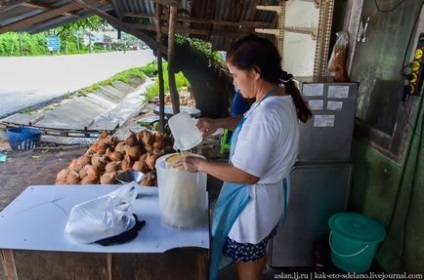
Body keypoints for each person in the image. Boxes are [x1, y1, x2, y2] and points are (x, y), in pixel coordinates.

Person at [172, 34, 312, 280]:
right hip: (270, 200)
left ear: (255, 72)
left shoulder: (267, 115)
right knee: (256, 253)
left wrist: (200, 164)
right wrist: (218, 123)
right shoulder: (278, 97)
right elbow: (248, 121)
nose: (235, 84)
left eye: (236, 76)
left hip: (253, 207)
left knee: (247, 260)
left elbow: (246, 175)